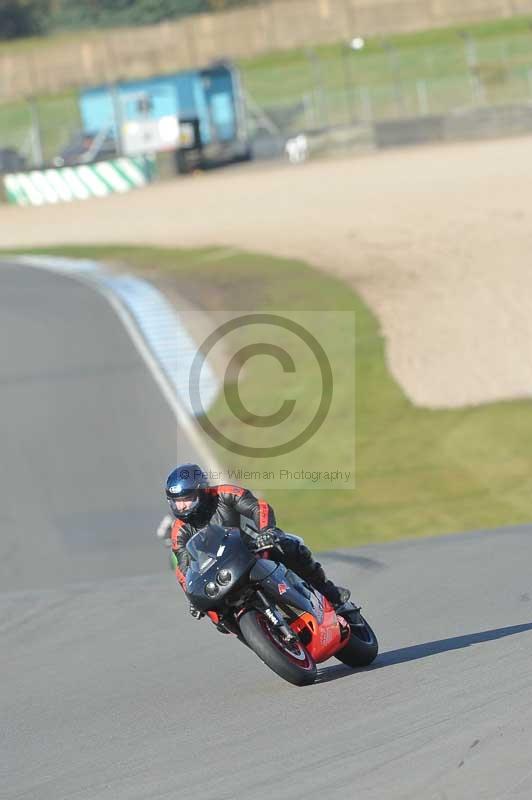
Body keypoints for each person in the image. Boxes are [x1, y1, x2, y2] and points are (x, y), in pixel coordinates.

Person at [161, 462, 352, 621]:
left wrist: (267, 531)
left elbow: (258, 507)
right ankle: (260, 637)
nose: (182, 505)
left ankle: (332, 595)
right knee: (215, 614)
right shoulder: (179, 530)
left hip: (254, 549)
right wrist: (192, 595)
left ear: (201, 491)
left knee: (290, 547)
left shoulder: (225, 493)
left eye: (187, 498)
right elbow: (183, 568)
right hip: (221, 573)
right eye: (177, 501)